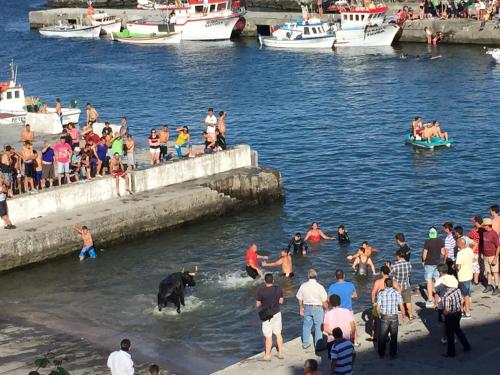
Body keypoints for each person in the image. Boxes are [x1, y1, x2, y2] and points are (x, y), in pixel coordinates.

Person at [296, 269, 328, 350]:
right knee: (318, 326)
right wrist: (327, 309)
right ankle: (318, 346)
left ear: (308, 276)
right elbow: (324, 301)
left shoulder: (303, 285)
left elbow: (299, 298)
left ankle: (305, 344)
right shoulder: (320, 287)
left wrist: (301, 307)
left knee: (306, 326)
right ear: (316, 276)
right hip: (317, 308)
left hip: (307, 307)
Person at [256, 273, 284, 361]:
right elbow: (281, 301)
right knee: (278, 334)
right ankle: (280, 354)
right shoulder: (279, 289)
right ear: (273, 280)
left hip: (267, 316)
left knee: (268, 336)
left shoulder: (261, 291)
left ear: (265, 281)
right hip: (277, 313)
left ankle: (267, 356)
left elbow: (257, 305)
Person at [441, 277, 471, 357]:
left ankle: (451, 353)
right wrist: (460, 308)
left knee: (450, 334)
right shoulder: (457, 290)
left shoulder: (446, 295)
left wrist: (443, 315)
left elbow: (447, 309)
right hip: (458, 313)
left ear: (445, 285)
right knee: (458, 330)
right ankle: (466, 346)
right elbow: (462, 300)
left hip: (450, 315)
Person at [369, 265, 401, 341]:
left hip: (379, 302)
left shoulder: (378, 282)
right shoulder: (392, 281)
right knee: (389, 320)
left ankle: (375, 335)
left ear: (382, 272)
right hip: (389, 302)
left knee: (375, 319)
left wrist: (373, 302)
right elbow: (399, 290)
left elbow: (373, 292)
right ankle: (387, 336)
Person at [376, 279, 405, 359]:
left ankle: (381, 353)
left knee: (382, 336)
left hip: (384, 316)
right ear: (392, 284)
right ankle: (393, 353)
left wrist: (378, 315)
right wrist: (403, 315)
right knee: (394, 336)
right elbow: (401, 306)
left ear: (385, 285)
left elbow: (378, 307)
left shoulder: (381, 293)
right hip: (394, 317)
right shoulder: (397, 293)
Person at [323, 294, 355, 358]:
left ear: (330, 303)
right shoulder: (347, 311)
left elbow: (325, 329)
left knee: (334, 359)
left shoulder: (327, 314)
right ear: (340, 302)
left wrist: (335, 335)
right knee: (347, 357)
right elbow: (353, 326)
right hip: (346, 338)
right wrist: (352, 337)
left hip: (333, 340)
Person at [422, 227, 446, 308]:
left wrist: (423, 261)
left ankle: (430, 299)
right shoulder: (440, 241)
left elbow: (425, 254)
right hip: (437, 263)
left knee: (429, 281)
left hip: (428, 263)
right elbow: (443, 253)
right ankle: (439, 297)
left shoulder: (427, 241)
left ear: (429, 233)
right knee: (437, 280)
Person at [390, 249, 414, 319]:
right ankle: (411, 315)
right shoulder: (409, 264)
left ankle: (395, 314)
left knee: (395, 301)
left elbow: (390, 274)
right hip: (406, 285)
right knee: (408, 301)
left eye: (396, 256)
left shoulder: (396, 265)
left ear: (398, 256)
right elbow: (409, 273)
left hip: (397, 286)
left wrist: (389, 267)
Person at [455, 237, 474, 318]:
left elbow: (458, 267)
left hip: (463, 276)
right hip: (469, 274)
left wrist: (454, 266)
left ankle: (467, 312)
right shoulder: (470, 250)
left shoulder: (460, 253)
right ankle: (465, 308)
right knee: (467, 293)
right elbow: (473, 260)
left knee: (464, 294)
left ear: (459, 244)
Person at [481, 217, 499, 295]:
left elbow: (498, 246)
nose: (483, 226)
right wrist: (482, 253)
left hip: (492, 256)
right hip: (485, 255)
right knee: (488, 272)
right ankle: (489, 285)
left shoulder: (494, 234)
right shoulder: (484, 232)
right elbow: (483, 244)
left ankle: (497, 287)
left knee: (495, 272)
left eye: (484, 225)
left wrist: (495, 258)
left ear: (488, 225)